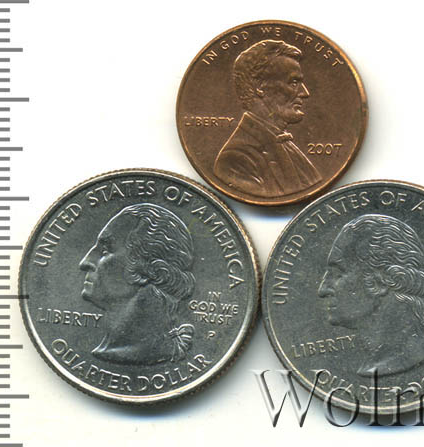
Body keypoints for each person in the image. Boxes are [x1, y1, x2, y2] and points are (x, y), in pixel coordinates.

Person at [318, 214, 424, 377]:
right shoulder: (375, 364)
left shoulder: (397, 361)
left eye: (338, 274)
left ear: (380, 281)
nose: (322, 290)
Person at [79, 203, 195, 366]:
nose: (85, 262)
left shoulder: (142, 353)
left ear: (151, 269)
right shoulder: (110, 350)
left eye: (105, 250)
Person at [214, 39, 322, 198]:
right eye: (293, 82)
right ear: (259, 87)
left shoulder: (286, 144)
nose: (305, 93)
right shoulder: (236, 159)